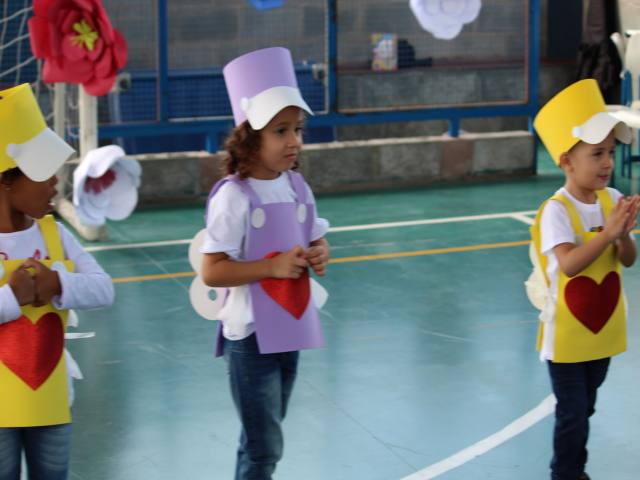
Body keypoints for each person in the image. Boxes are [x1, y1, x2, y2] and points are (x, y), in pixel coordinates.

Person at [199, 47, 330, 480]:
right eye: (280, 130)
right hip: (251, 336)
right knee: (265, 448)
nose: (294, 140)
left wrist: (319, 250)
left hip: (289, 327)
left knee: (260, 437)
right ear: (249, 137)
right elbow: (212, 269)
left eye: (298, 129)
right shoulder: (234, 196)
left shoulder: (296, 186)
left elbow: (313, 233)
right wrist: (270, 269)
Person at [0, 84, 115, 480]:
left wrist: (59, 285)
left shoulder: (54, 235)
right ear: (7, 181)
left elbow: (103, 289)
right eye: (44, 175)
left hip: (49, 398)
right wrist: (12, 298)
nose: (55, 185)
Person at [532, 78, 639, 480]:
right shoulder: (555, 212)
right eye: (597, 153)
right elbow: (570, 265)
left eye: (611, 152)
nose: (608, 162)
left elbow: (627, 261)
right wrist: (608, 233)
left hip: (603, 331)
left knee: (586, 406)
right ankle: (567, 473)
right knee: (573, 412)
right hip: (567, 336)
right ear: (567, 161)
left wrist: (624, 234)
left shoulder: (612, 201)